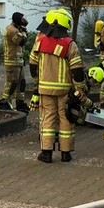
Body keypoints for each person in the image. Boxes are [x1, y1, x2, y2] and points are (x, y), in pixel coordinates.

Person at [28, 8, 87, 164]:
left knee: (47, 119)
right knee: (66, 118)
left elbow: (32, 64)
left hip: (45, 89)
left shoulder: (39, 41)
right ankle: (65, 153)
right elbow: (77, 69)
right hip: (64, 90)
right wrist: (79, 88)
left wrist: (36, 83)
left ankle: (46, 153)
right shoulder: (69, 44)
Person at [0, 12, 30, 112]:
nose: (24, 21)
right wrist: (24, 33)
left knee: (21, 83)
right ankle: (4, 103)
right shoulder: (12, 30)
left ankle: (20, 103)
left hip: (19, 61)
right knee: (12, 83)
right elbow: (21, 41)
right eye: (22, 19)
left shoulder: (17, 29)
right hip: (12, 61)